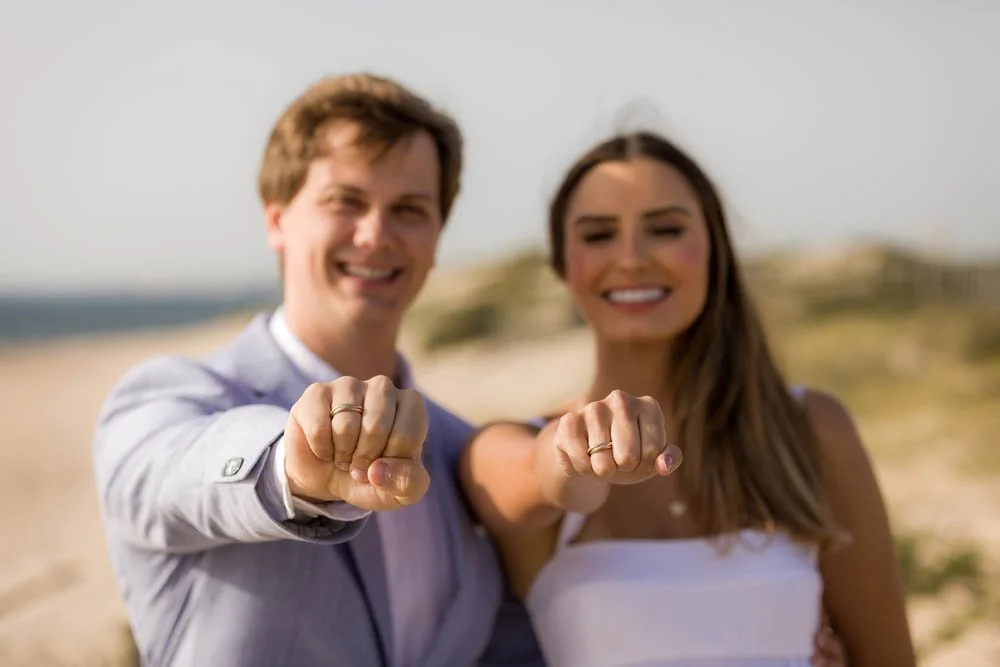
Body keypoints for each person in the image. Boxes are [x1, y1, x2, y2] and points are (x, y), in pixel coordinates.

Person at [93, 73, 543, 667]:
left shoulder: (463, 450)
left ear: (437, 237)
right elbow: (159, 483)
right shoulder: (180, 396)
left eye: (409, 209)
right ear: (276, 220)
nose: (376, 234)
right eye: (345, 202)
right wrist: (290, 464)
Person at [460, 131, 915, 666]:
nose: (632, 259)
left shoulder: (811, 429)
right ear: (562, 264)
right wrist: (575, 454)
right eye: (599, 234)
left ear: (715, 248)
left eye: (666, 229)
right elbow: (541, 474)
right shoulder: (505, 445)